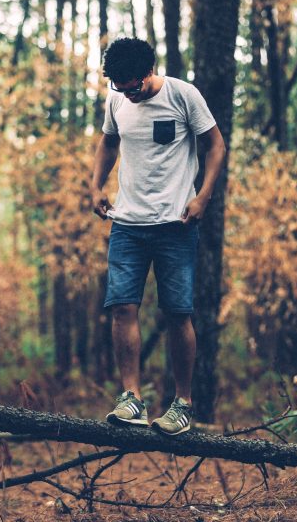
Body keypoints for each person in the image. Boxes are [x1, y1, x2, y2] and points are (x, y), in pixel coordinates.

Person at [89, 37, 226, 436]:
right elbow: (108, 142)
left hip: (175, 225)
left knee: (177, 313)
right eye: (118, 86)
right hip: (127, 224)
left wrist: (204, 197)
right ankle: (131, 397)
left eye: (131, 85)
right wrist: (95, 186)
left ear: (148, 72)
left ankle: (182, 403)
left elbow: (215, 145)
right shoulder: (117, 101)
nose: (126, 94)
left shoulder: (183, 95)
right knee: (121, 307)